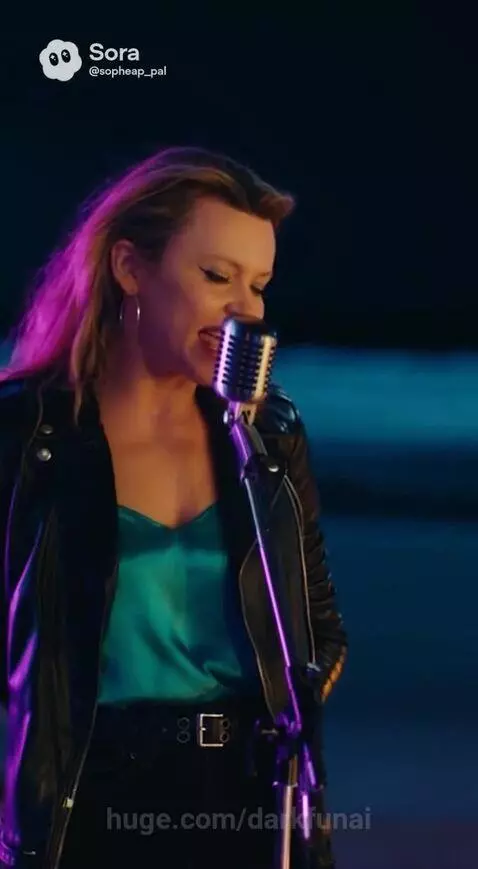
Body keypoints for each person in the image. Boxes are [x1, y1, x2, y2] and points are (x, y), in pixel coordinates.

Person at [0, 146, 347, 868]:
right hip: (84, 803)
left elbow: (318, 629)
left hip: (246, 801)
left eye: (258, 285)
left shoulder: (269, 435)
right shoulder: (27, 437)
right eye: (217, 276)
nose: (245, 309)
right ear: (130, 267)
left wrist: (292, 718)